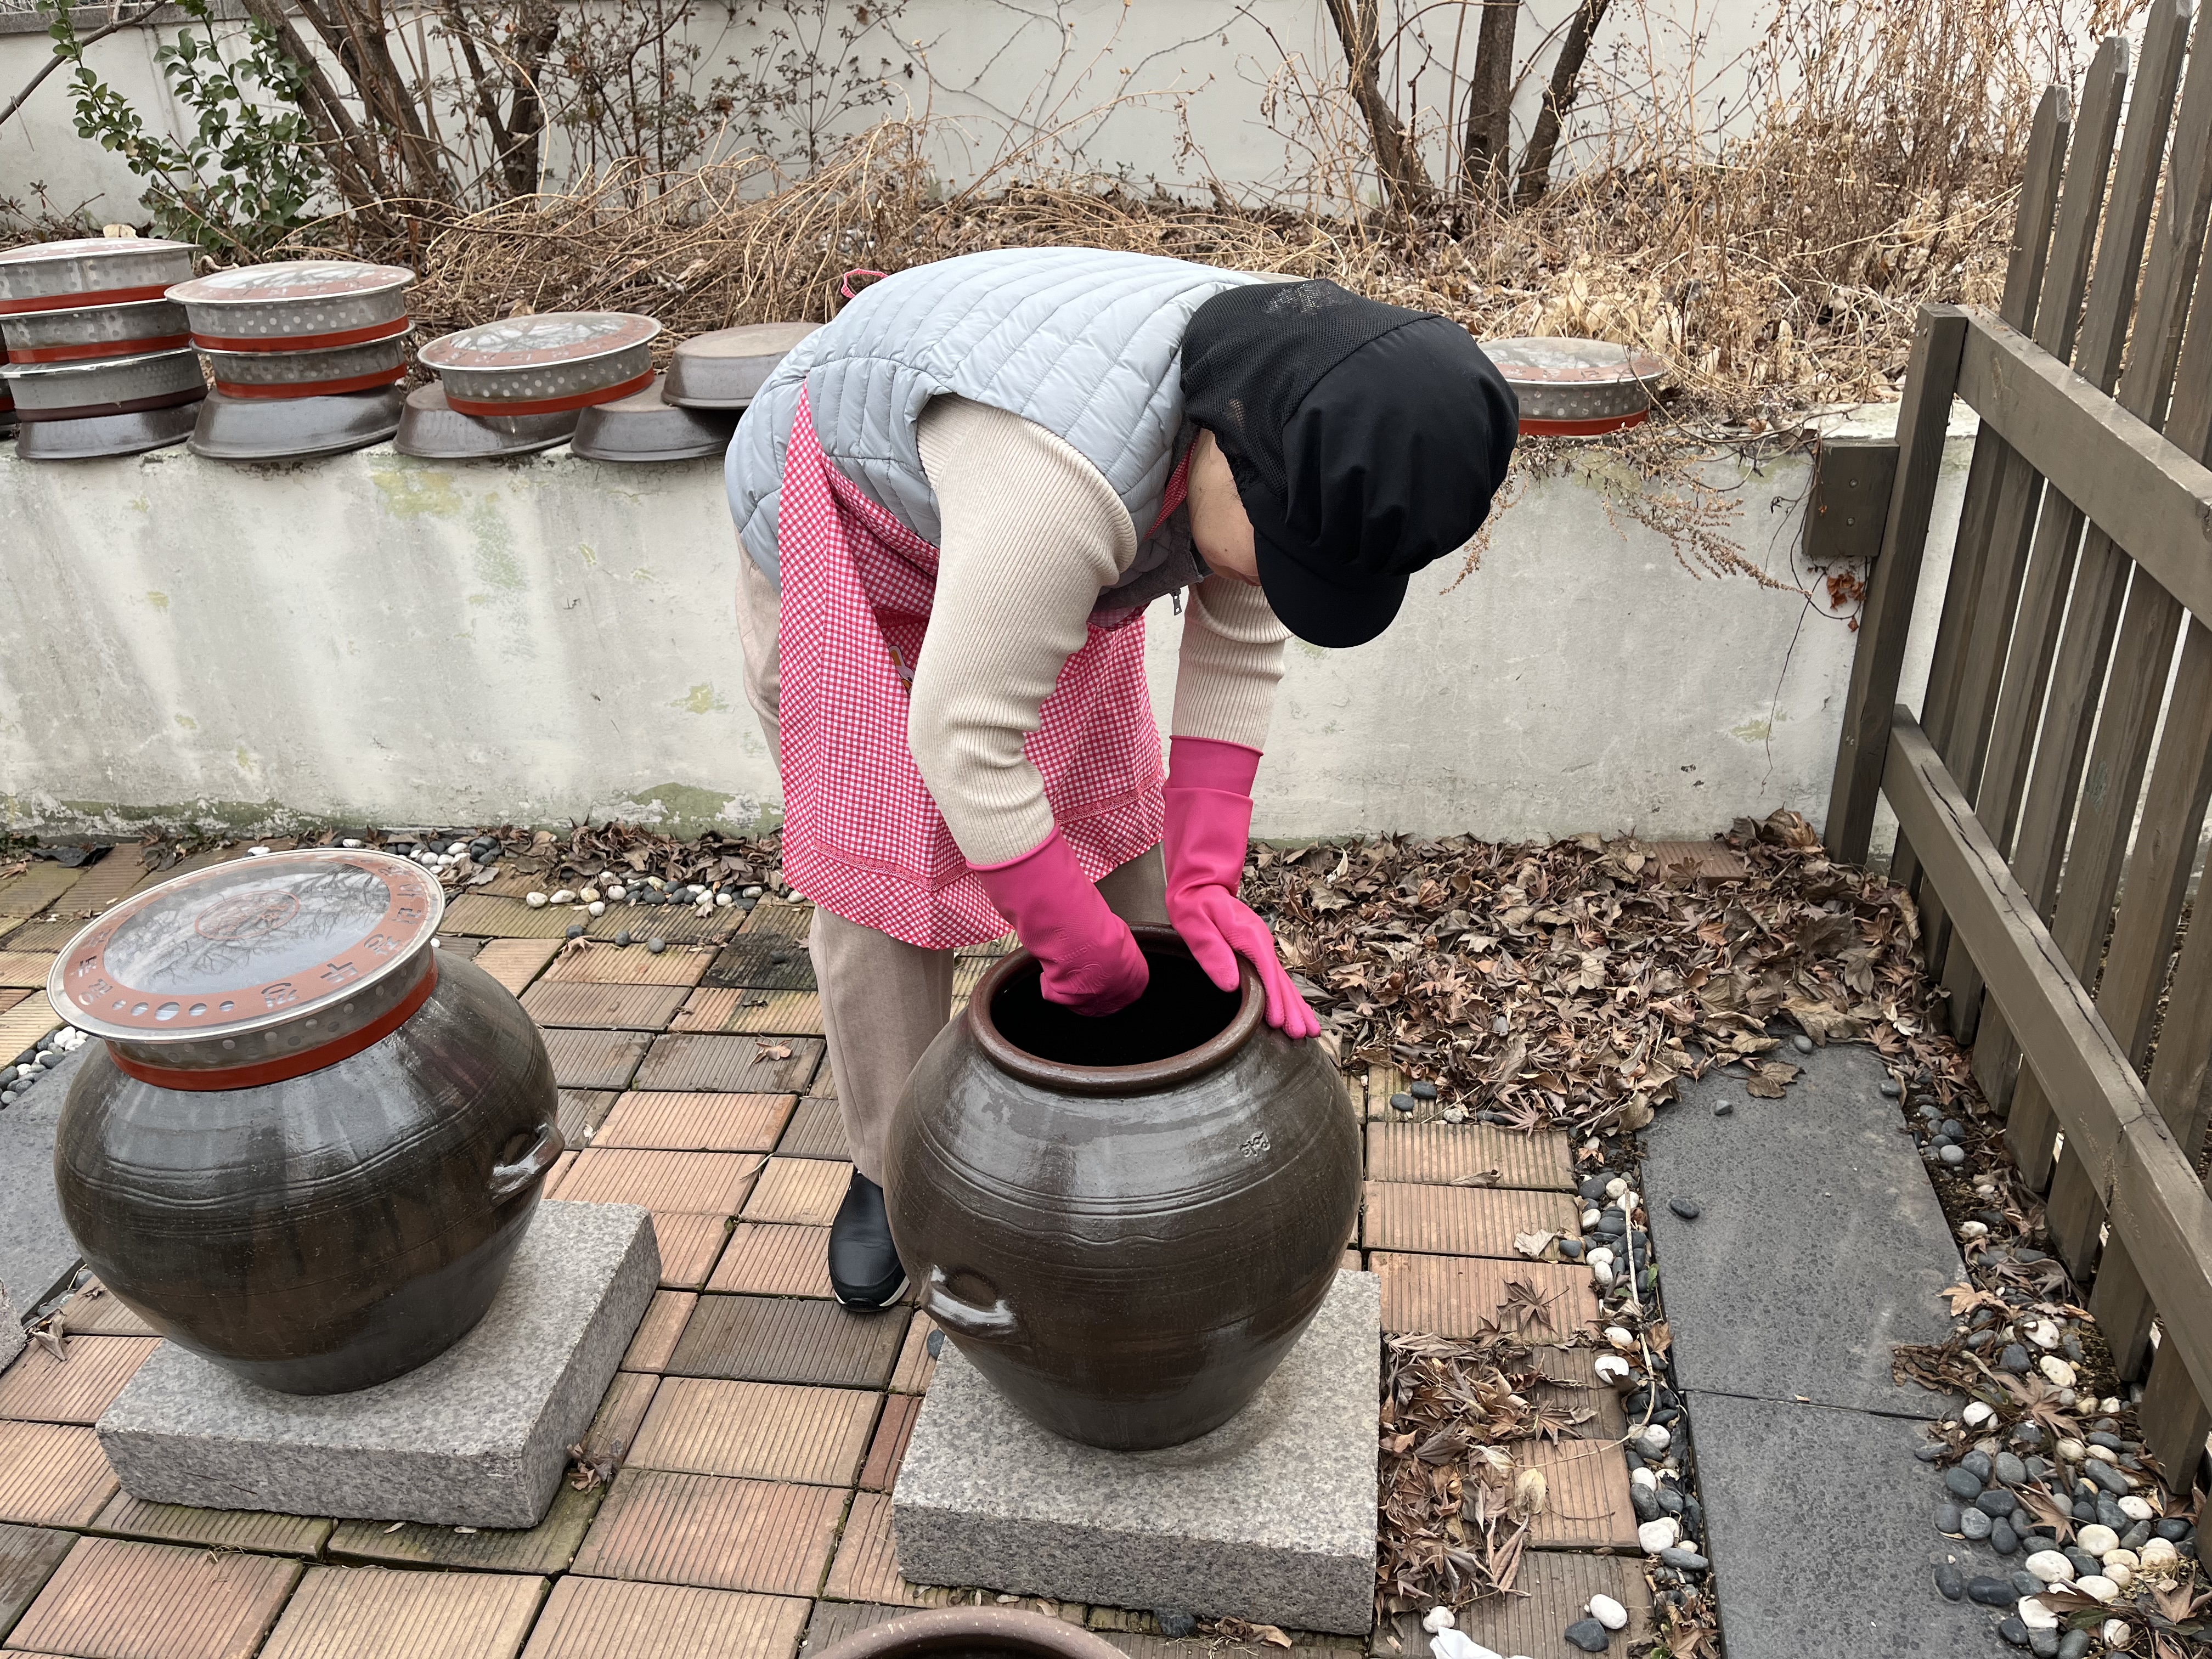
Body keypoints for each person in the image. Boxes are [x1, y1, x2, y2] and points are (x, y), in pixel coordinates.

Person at [725, 247, 1516, 1308]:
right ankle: (890, 1167)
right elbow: (961, 739)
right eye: (1288, 556)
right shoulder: (1058, 485)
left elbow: (1241, 642)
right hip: (845, 524)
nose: (1279, 582)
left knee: (1108, 807)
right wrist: (1067, 940)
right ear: (1232, 452)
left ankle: (1135, 1121)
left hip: (1045, 530)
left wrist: (1204, 880)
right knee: (887, 866)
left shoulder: (1293, 410)